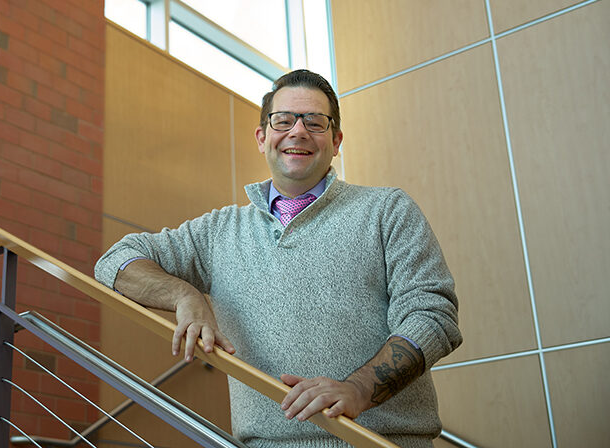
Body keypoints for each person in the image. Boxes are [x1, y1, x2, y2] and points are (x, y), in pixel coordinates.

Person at [94, 69, 461, 448]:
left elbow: (432, 315)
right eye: (282, 120)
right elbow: (115, 261)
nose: (298, 132)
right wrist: (184, 296)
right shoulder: (220, 231)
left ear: (336, 141)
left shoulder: (387, 210)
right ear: (262, 137)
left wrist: (359, 388)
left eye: (315, 122)